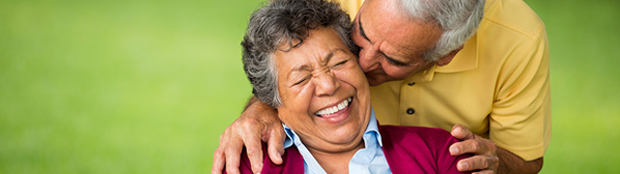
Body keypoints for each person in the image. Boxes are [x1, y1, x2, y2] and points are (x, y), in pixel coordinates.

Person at [212, 0, 551, 173]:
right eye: (360, 34)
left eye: (393, 59)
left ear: (445, 55)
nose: (360, 64)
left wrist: (493, 163)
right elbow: (281, 62)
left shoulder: (518, 41)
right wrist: (260, 107)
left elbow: (523, 158)